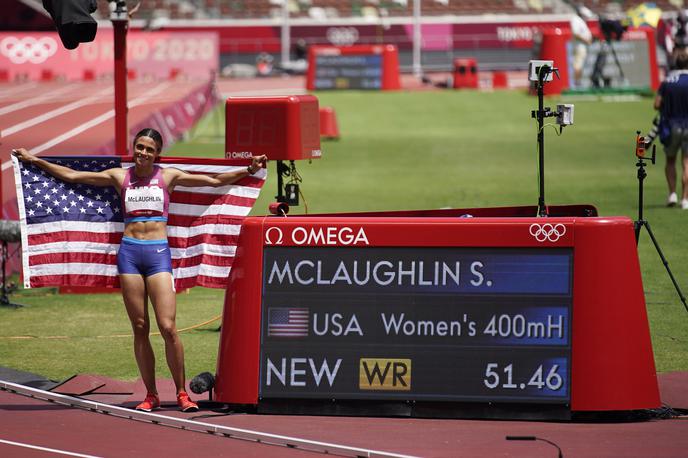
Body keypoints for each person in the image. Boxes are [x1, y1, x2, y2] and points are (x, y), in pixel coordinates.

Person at [13, 128, 267, 411]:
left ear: (157, 153)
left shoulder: (168, 176)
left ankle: (183, 393)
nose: (142, 153)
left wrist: (249, 169)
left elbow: (213, 180)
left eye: (149, 149)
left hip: (158, 254)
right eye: (139, 147)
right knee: (140, 326)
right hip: (130, 254)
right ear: (134, 148)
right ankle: (151, 394)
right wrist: (34, 161)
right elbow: (72, 176)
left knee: (168, 327)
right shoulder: (119, 176)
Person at [653, 50, 688, 209]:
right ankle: (685, 199)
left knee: (671, 160)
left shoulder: (667, 81)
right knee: (686, 162)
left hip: (672, 125)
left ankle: (672, 193)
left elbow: (656, 104)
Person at [570, 4, 594, 88]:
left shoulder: (580, 21)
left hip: (582, 46)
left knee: (580, 65)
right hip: (580, 45)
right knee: (578, 65)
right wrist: (586, 40)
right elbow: (576, 33)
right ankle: (577, 83)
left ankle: (578, 82)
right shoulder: (576, 20)